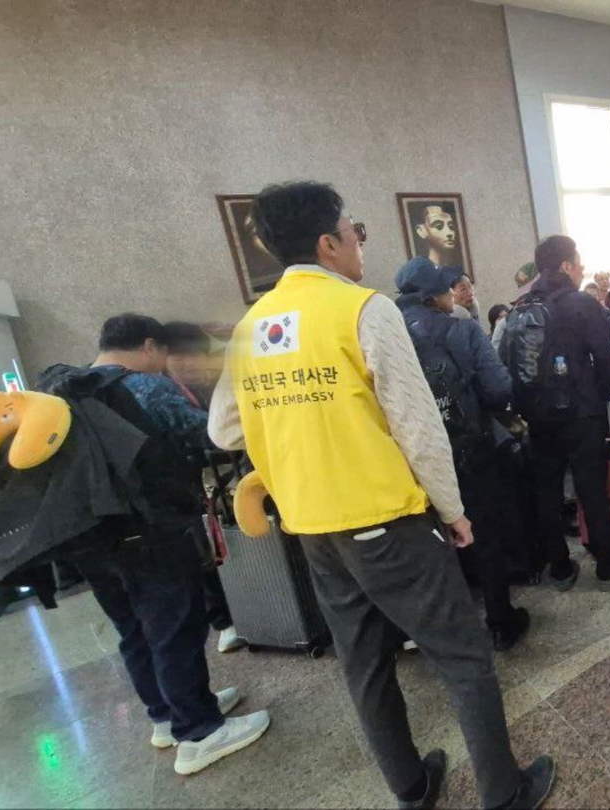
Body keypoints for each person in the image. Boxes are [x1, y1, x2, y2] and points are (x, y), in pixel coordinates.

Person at [208, 181, 555, 810]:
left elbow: (224, 428)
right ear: (327, 242)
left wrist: (297, 428)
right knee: (463, 655)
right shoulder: (363, 310)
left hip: (313, 526)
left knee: (364, 663)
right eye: (354, 228)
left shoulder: (252, 325)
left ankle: (411, 786)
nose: (359, 241)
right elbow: (418, 429)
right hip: (385, 520)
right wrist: (453, 511)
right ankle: (503, 792)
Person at [70, 314, 269, 775]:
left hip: (93, 539)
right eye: (160, 353)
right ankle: (199, 733)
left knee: (134, 631)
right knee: (173, 629)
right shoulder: (144, 387)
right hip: (150, 531)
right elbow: (213, 434)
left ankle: (166, 714)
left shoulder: (71, 392)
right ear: (148, 345)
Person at [396, 262, 533, 652]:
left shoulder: (384, 333)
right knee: (484, 534)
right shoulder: (461, 329)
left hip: (408, 458)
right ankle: (501, 622)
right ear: (437, 295)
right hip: (468, 451)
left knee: (427, 544)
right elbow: (498, 388)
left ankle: (444, 635)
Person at [506, 235, 610, 590]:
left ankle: (559, 568)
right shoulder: (581, 304)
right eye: (579, 261)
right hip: (581, 415)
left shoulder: (521, 306)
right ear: (566, 266)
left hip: (539, 419)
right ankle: (606, 568)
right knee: (592, 491)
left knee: (548, 493)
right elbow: (605, 359)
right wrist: (598, 395)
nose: (583, 268)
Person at [162, 320, 246, 654]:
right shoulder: (164, 393)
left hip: (238, 476)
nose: (187, 363)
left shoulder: (226, 381)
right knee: (209, 553)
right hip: (196, 486)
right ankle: (224, 622)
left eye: (194, 355)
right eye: (178, 357)